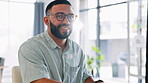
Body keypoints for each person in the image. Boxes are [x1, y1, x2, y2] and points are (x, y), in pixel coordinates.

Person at [18, 0, 96, 83]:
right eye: (59, 16)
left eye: (71, 17)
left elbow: (85, 77)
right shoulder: (31, 47)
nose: (67, 21)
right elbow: (39, 81)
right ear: (46, 21)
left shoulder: (77, 50)